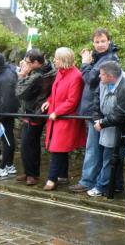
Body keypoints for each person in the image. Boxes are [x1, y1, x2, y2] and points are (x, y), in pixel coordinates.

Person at [70, 28, 119, 193]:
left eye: (103, 41)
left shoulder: (108, 59)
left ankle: (88, 181)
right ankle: (100, 181)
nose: (99, 44)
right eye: (97, 42)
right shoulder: (101, 59)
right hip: (95, 109)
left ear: (109, 41)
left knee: (93, 148)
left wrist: (85, 63)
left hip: (97, 111)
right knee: (98, 148)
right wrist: (90, 63)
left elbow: (90, 80)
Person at [86, 61, 125, 197]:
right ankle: (116, 185)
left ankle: (101, 187)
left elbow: (121, 113)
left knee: (110, 157)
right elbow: (96, 100)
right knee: (114, 158)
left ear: (110, 76)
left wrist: (102, 123)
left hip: (118, 128)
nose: (99, 77)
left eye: (101, 75)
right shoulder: (105, 82)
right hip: (106, 124)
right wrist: (97, 118)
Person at [41, 47, 86, 191]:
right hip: (58, 117)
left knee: (57, 148)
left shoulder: (76, 76)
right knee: (60, 148)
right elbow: (55, 92)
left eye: (57, 58)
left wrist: (57, 112)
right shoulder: (60, 73)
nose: (54, 60)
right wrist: (48, 101)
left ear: (64, 60)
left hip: (66, 118)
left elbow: (72, 100)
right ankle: (63, 175)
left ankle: (52, 179)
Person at [15, 49, 56, 186]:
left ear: (37, 62)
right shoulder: (47, 70)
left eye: (28, 62)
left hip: (34, 113)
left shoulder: (38, 75)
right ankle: (29, 172)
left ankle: (32, 175)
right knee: (29, 145)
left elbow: (20, 93)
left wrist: (22, 75)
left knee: (29, 144)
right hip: (34, 111)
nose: (25, 64)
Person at [0, 52, 19, 177]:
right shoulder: (7, 71)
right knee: (6, 138)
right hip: (5, 112)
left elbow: (6, 99)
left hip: (5, 113)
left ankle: (2, 168)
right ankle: (10, 165)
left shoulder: (6, 76)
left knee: (7, 140)